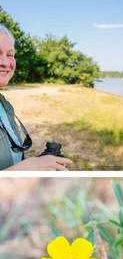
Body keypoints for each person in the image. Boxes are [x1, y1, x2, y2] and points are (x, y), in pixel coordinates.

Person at [0, 24, 73, 170]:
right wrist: (24, 169)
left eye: (10, 55)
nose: (5, 63)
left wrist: (40, 164)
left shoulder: (4, 105)